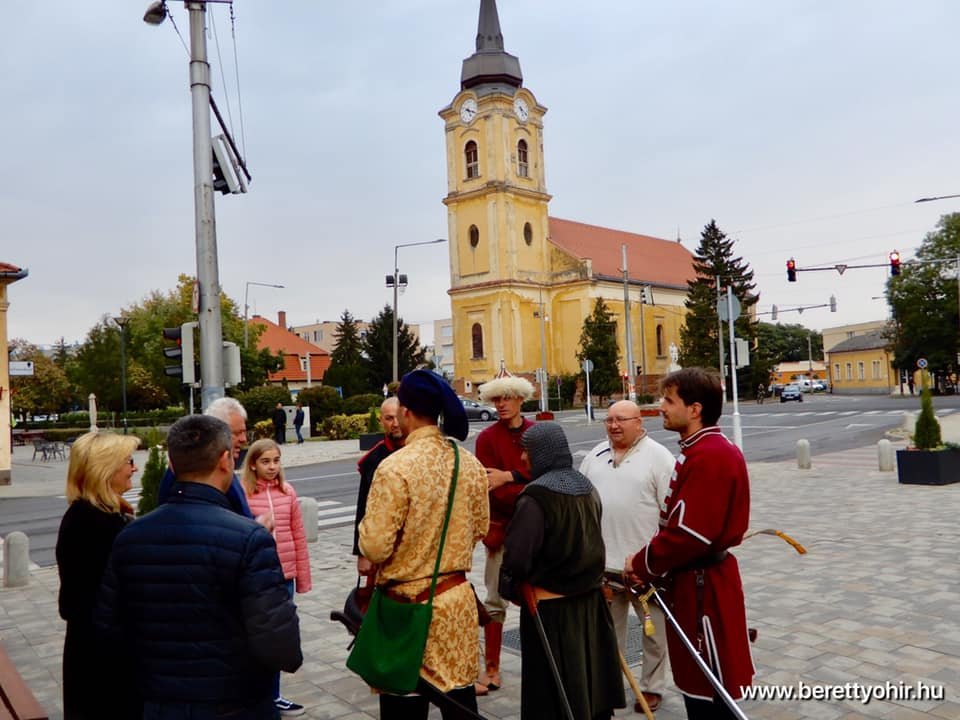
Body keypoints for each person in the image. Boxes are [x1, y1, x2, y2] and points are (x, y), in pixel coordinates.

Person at [97, 415, 302, 720]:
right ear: (224, 461)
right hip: (235, 703)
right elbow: (280, 644)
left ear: (171, 462)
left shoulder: (130, 536)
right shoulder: (249, 538)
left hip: (160, 702)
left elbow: (107, 630)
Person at [358, 370, 489, 719]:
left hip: (406, 610)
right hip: (455, 606)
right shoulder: (469, 463)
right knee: (460, 707)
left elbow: (375, 547)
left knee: (403, 710)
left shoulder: (394, 467)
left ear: (405, 411)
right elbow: (480, 527)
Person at [624, 368, 754, 720]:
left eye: (669, 400)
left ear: (694, 409)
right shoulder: (702, 449)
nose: (661, 407)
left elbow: (690, 534)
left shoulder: (710, 455)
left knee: (710, 687)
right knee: (701, 684)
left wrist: (641, 564)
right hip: (695, 583)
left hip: (704, 588)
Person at [499, 422, 625, 720]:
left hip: (551, 611)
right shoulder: (586, 487)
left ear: (542, 453)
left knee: (553, 694)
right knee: (589, 680)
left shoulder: (536, 497)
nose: (523, 459)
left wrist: (509, 586)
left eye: (527, 451)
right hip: (590, 605)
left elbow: (517, 558)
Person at [580, 400, 674, 713]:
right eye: (609, 420)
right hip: (603, 565)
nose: (613, 425)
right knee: (607, 634)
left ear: (639, 422)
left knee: (653, 632)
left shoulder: (659, 458)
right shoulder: (594, 455)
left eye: (621, 419)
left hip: (645, 567)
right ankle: (609, 685)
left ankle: (651, 687)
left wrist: (656, 560)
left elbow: (669, 513)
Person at [56, 431, 142, 719]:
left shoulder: (93, 515)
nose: (134, 468)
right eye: (128, 461)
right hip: (105, 662)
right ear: (105, 469)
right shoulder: (95, 524)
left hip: (93, 651)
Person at [473, 374, 535, 694]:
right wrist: (522, 485)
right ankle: (492, 667)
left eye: (508, 397)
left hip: (535, 532)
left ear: (521, 399)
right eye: (497, 399)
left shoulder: (535, 433)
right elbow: (489, 485)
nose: (501, 404)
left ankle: (541, 663)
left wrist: (510, 477)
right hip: (500, 531)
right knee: (495, 600)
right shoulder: (486, 439)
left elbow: (545, 478)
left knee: (536, 598)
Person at [242, 439, 312, 717]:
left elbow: (298, 535)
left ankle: (274, 695)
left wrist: (302, 577)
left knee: (278, 638)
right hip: (257, 577)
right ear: (252, 464)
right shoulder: (244, 494)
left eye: (276, 460)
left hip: (285, 577)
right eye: (265, 461)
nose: (272, 467)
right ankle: (255, 696)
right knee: (255, 638)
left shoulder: (287, 491)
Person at [157, 396, 255, 519]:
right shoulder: (185, 471)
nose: (243, 439)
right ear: (215, 433)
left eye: (244, 432)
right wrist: (258, 525)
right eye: (236, 433)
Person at [352, 396, 403, 572]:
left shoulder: (421, 450)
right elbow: (363, 508)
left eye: (398, 417)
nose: (395, 423)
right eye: (389, 418)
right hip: (383, 543)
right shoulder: (373, 458)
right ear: (381, 421)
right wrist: (361, 553)